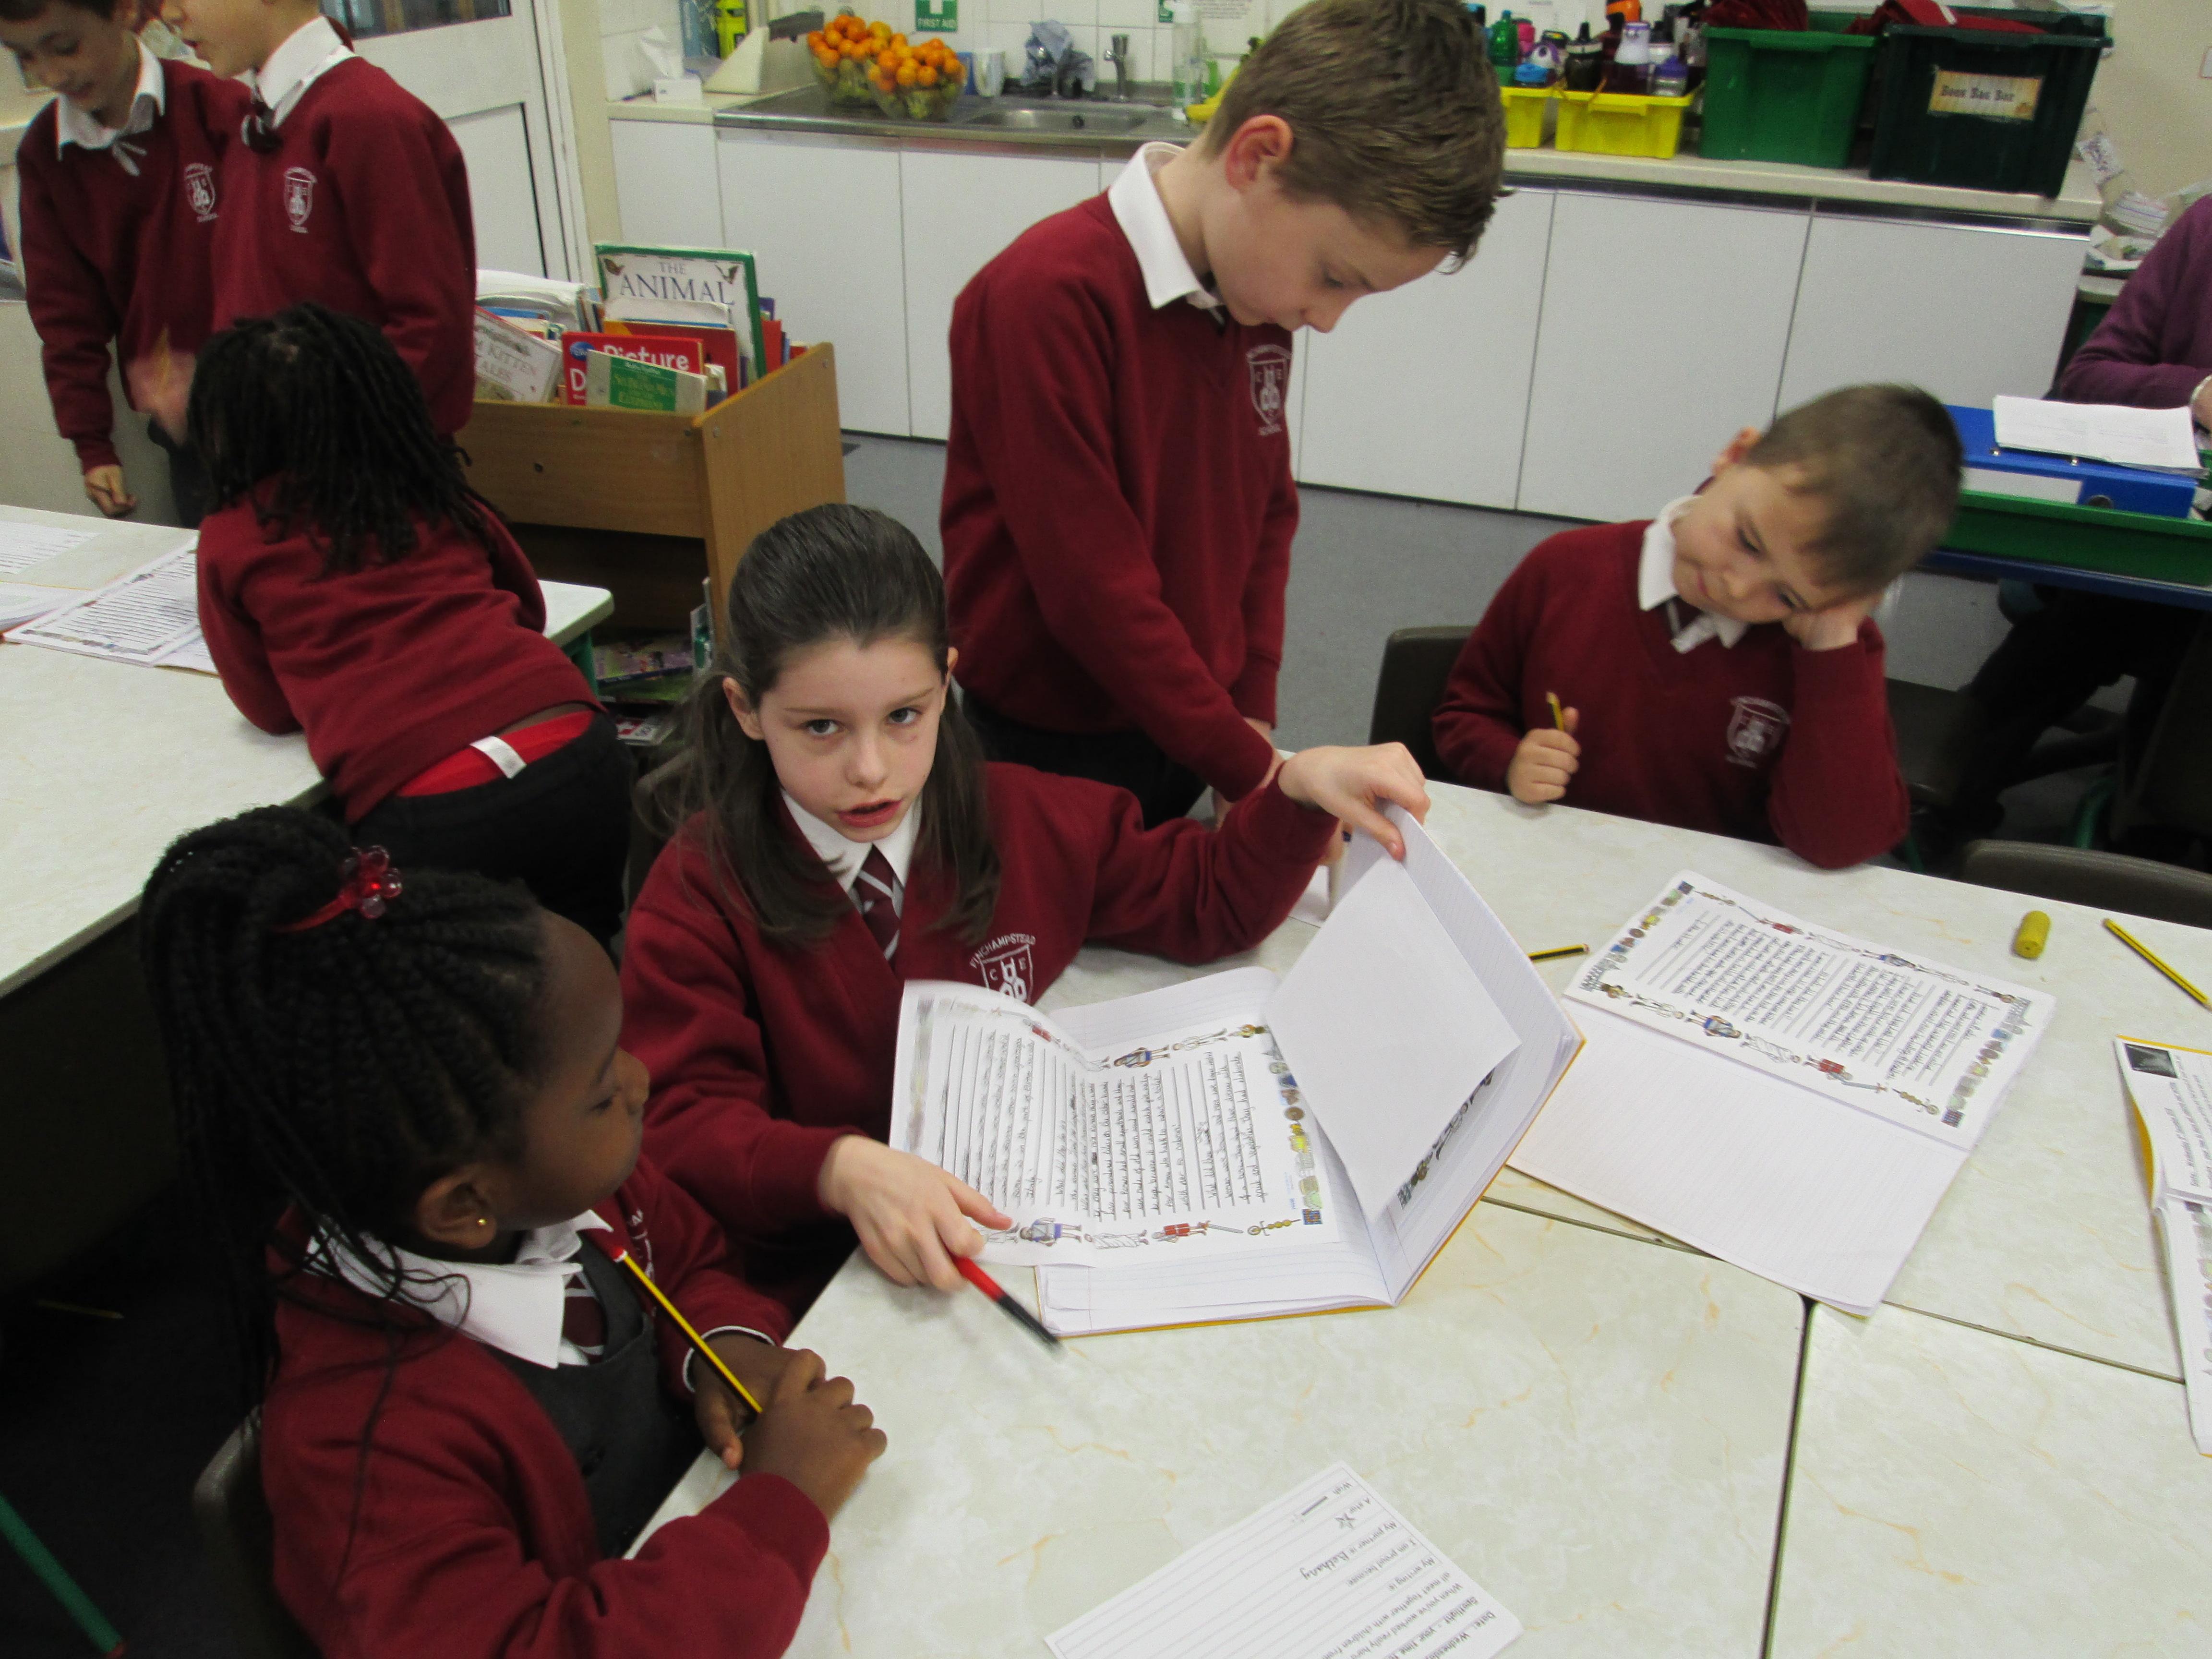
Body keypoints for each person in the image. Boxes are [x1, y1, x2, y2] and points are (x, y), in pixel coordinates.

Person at [620, 504, 1429, 1319]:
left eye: (904, 717)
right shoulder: (698, 894)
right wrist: (836, 1168)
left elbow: (1205, 897)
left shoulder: (1021, 817)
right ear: (745, 710)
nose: (870, 768)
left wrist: (1296, 793)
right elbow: (679, 1123)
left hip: (1012, 1253)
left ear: (946, 682)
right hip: (821, 1287)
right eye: (821, 728)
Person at [139, 805, 885, 1655]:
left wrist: (717, 1346)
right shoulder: (362, 1451)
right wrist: (780, 1506)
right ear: (463, 1205)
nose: (640, 1082)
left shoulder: (573, 1192)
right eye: (600, 1093)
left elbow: (691, 1261)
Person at [941, 0, 1504, 827]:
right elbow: (1093, 593)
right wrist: (1253, 769)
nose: (1326, 320)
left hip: (1190, 721)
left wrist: (1248, 713)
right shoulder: (1042, 298)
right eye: (1334, 277)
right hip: (1052, 745)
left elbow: (1264, 514)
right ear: (1256, 157)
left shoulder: (1254, 300)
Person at [189, 304, 632, 945]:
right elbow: (529, 610)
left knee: (461, 982)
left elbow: (269, 709)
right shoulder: (424, 485)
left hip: (430, 804)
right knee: (589, 950)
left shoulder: (231, 536)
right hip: (578, 750)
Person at [1432, 384, 1962, 871]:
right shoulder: (1568, 568)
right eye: (1748, 541)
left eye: (1786, 595)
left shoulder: (1832, 650)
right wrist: (1509, 763)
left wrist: (1831, 646)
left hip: (1711, 910)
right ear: (1736, 456)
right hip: (1549, 871)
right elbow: (1465, 714)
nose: (1738, 588)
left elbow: (1838, 843)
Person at [1933, 197, 2212, 850]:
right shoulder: (2205, 229)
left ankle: (2153, 846)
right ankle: (1949, 806)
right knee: (2098, 616)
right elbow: (2088, 378)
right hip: (2152, 558)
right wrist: (2197, 394)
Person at [158, 0, 476, 435]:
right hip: (282, 458)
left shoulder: (368, 118)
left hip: (358, 464)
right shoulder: (261, 121)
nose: (169, 14)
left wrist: (315, 434)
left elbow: (431, 330)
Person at [2, 0, 245, 524]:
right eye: (25, 57)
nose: (52, 74)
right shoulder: (46, 155)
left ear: (124, 11)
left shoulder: (218, 107)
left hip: (283, 408)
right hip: (191, 440)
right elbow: (66, 319)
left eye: (65, 47)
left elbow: (286, 266)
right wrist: (93, 446)